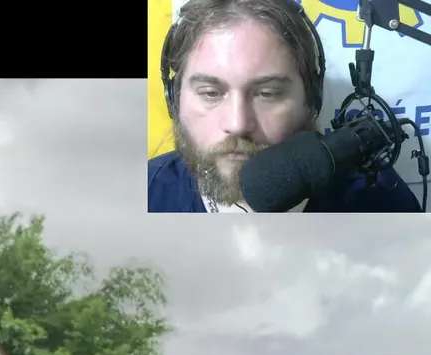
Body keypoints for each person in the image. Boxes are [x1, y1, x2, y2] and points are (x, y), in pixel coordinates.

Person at [148, 0, 420, 213]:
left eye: (267, 94)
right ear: (174, 99)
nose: (238, 123)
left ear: (312, 100)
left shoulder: (376, 198)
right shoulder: (147, 191)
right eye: (210, 93)